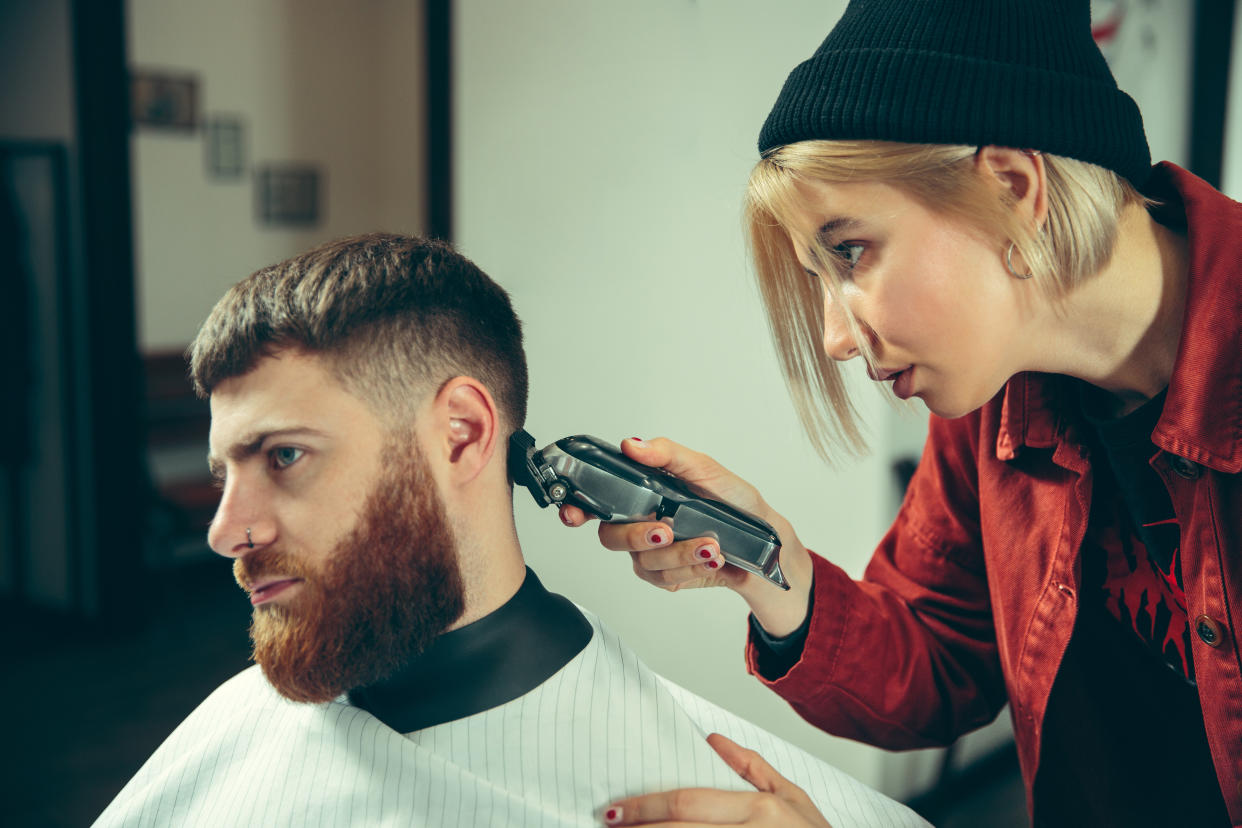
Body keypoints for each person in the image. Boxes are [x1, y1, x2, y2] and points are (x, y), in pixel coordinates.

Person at [560, 1, 1241, 825]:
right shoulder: (993, 396)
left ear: (1012, 187)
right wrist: (769, 564)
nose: (835, 338)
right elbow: (941, 653)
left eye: (850, 252)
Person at [93, 233, 926, 827]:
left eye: (283, 456)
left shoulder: (743, 799)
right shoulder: (225, 732)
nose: (224, 532)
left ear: (461, 433)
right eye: (222, 473)